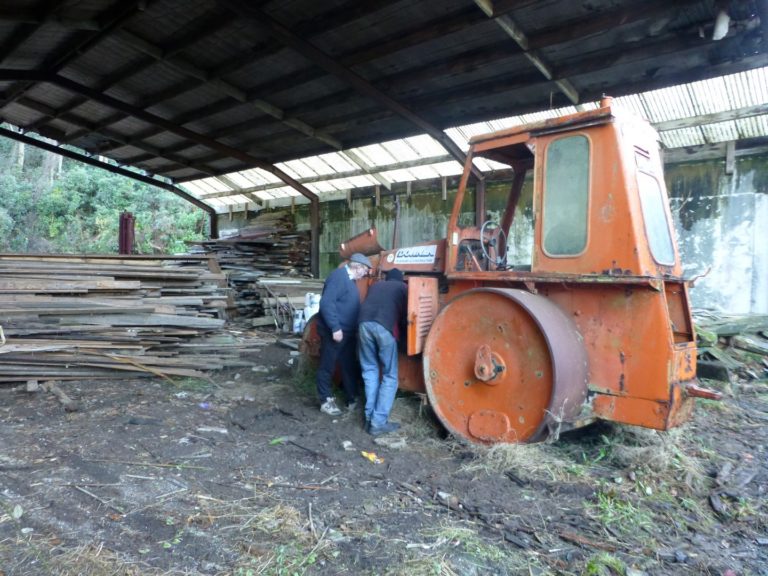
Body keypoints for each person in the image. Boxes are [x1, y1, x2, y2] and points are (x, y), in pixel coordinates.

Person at [316, 252, 372, 416]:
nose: (366, 273)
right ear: (357, 266)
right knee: (328, 365)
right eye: (365, 269)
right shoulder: (338, 277)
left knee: (348, 366)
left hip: (348, 332)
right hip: (336, 332)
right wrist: (335, 328)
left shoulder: (350, 281)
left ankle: (351, 397)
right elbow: (326, 303)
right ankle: (325, 400)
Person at [357, 268, 407, 436]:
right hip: (384, 327)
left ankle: (369, 418)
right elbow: (407, 317)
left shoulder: (377, 285)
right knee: (390, 376)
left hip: (363, 324)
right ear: (401, 279)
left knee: (369, 371)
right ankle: (378, 422)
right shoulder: (403, 288)